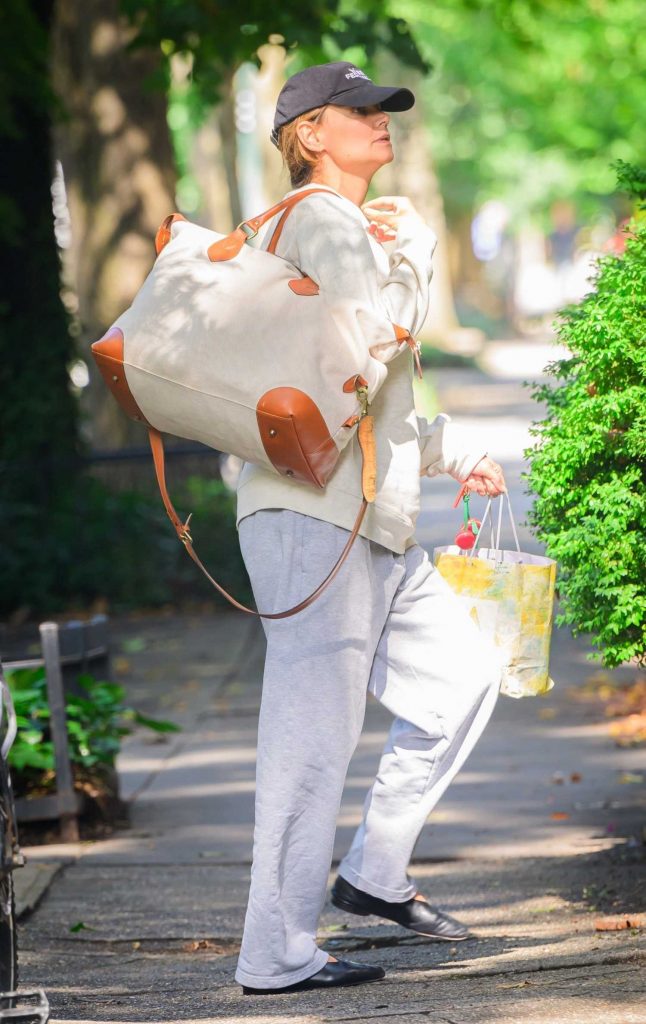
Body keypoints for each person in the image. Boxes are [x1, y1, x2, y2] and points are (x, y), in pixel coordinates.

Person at [234, 61, 507, 996]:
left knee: (464, 679)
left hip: (368, 515)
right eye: (358, 112)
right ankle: (274, 953)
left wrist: (443, 449)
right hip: (315, 517)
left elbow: (359, 396)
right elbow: (368, 340)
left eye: (386, 111)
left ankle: (374, 875)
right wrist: (416, 253)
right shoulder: (322, 220)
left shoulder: (340, 230)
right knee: (310, 738)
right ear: (310, 134)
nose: (381, 123)